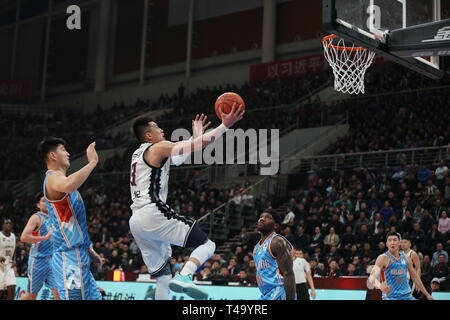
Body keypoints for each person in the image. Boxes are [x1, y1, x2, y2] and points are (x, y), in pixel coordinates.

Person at [129, 107, 244, 300]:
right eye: (157, 128)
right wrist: (225, 125)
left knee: (163, 277)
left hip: (136, 221)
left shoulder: (139, 154)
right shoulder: (157, 147)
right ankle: (185, 275)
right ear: (149, 135)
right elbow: (197, 145)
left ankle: (176, 281)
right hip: (152, 212)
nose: (162, 131)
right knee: (207, 245)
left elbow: (180, 158)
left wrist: (196, 136)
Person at [38, 137, 104, 300]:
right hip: (69, 257)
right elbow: (69, 185)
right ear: (53, 156)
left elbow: (76, 223)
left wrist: (89, 249)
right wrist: (92, 162)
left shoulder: (62, 181)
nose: (68, 153)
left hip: (79, 253)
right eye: (63, 149)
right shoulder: (53, 178)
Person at [368, 232, 433, 300]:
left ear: (399, 243)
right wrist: (381, 286)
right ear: (387, 244)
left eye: (395, 240)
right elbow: (371, 278)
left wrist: (427, 295)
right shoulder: (382, 258)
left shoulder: (406, 257)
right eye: (389, 240)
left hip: (407, 296)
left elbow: (415, 277)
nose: (392, 242)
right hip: (390, 297)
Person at [19, 193, 60, 300]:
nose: (47, 203)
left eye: (48, 201)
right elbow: (24, 237)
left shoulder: (55, 218)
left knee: (59, 293)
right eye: (43, 201)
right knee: (32, 295)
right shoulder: (36, 217)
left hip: (53, 261)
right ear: (38, 205)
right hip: (38, 261)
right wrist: (44, 238)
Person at [253, 209, 295, 300]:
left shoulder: (277, 242)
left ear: (276, 225)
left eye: (268, 217)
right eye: (261, 217)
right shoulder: (256, 248)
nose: (262, 219)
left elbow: (289, 274)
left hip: (279, 290)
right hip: (265, 294)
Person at [0, 219, 16, 300]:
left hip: (8, 265)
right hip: (0, 266)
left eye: (10, 223)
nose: (8, 224)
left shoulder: (13, 236)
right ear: (2, 225)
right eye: (6, 223)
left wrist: (14, 260)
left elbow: (13, 250)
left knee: (12, 286)